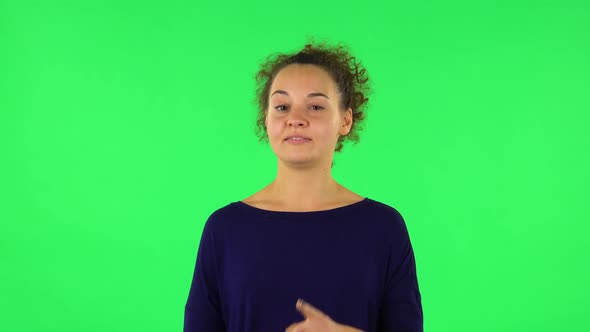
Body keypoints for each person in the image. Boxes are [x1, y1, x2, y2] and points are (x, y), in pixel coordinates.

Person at [184, 39, 423, 332]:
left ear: (345, 120)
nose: (296, 119)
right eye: (282, 106)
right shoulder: (224, 229)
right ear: (266, 119)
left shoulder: (384, 228)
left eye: (316, 106)